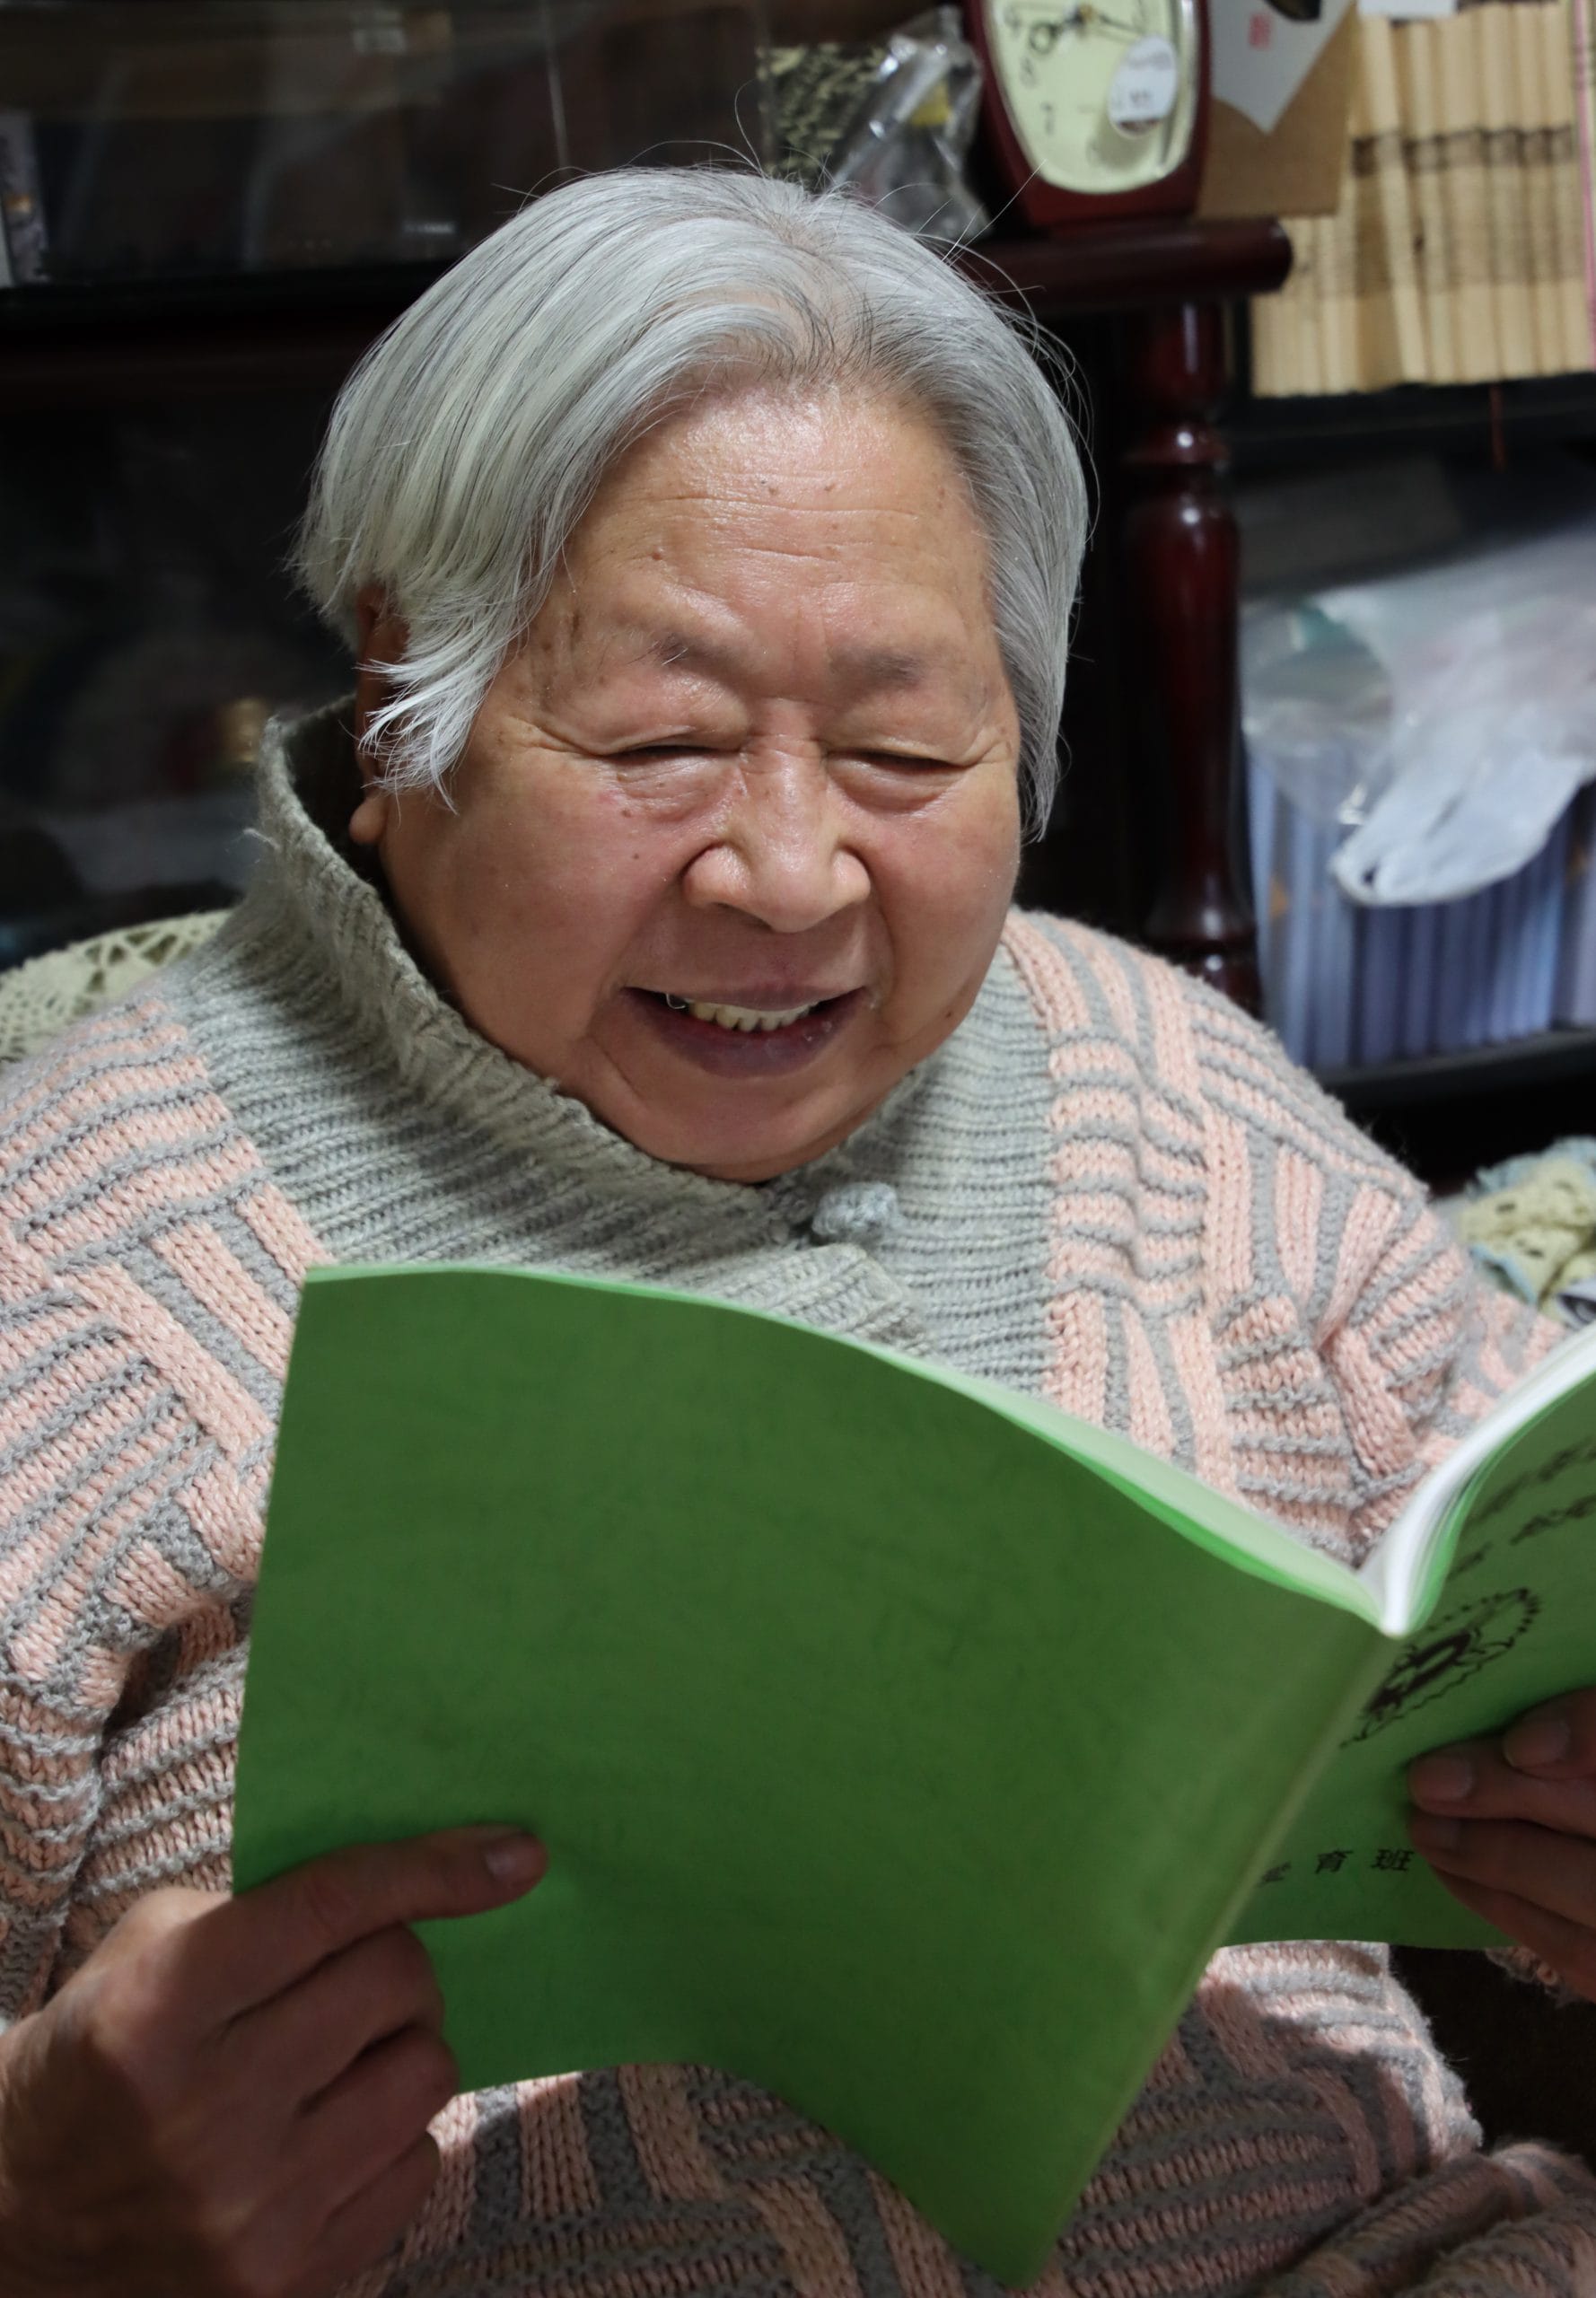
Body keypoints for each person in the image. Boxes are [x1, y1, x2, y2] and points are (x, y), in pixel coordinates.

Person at [0, 167, 1592, 2298]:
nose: (786, 872)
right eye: (660, 741)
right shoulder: (71, 1266)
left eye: (900, 748)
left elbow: (1528, 1548)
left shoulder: (1160, 1082)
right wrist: (36, 2196)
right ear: (399, 701)